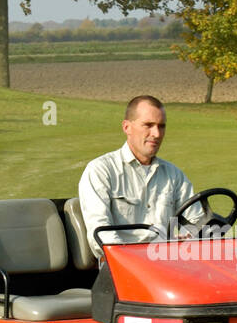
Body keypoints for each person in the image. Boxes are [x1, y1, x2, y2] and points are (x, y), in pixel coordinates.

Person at [78, 95, 203, 258]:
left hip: (168, 264)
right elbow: (100, 233)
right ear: (127, 127)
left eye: (161, 126)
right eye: (148, 125)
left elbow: (197, 221)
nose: (157, 134)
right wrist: (133, 259)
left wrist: (189, 239)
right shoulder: (101, 170)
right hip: (121, 267)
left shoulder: (174, 175)